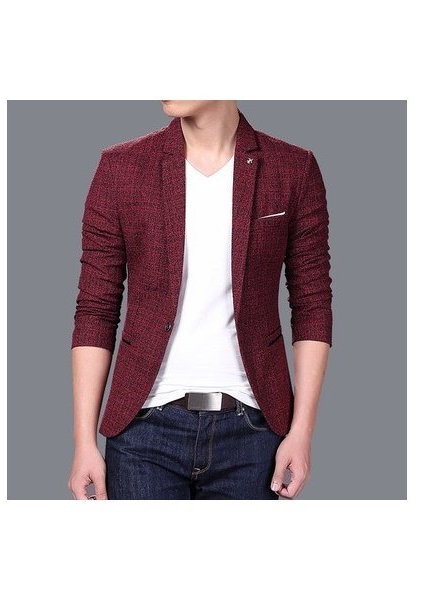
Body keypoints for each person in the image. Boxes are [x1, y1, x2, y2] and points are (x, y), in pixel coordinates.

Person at [68, 101, 333, 500]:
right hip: (143, 432)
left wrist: (302, 432)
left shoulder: (293, 168)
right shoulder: (121, 168)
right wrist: (84, 441)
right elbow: (95, 309)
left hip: (254, 432)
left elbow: (312, 304)